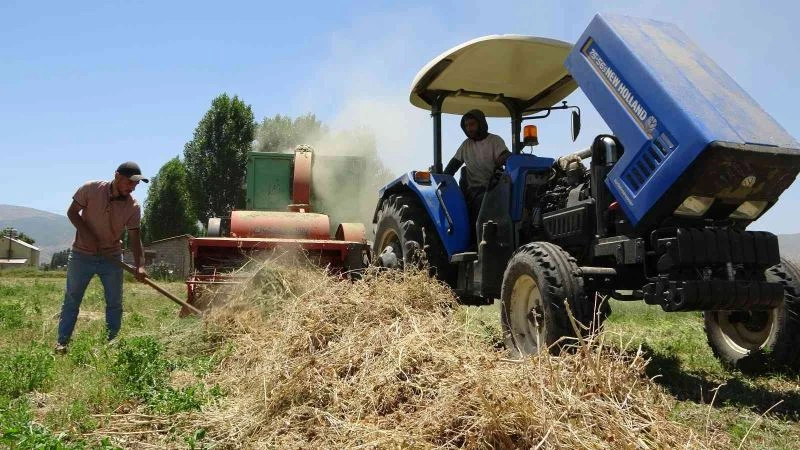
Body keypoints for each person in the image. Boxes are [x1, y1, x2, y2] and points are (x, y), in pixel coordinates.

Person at [54, 162, 149, 354]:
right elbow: (72, 213)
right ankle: (62, 342)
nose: (133, 187)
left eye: (136, 184)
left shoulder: (133, 206)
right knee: (72, 299)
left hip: (111, 256)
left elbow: (135, 238)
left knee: (114, 302)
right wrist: (87, 235)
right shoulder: (91, 189)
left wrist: (140, 265)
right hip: (81, 255)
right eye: (130, 183)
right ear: (117, 176)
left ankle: (111, 343)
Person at [443, 109, 510, 238]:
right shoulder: (466, 145)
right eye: (466, 126)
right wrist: (442, 178)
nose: (469, 129)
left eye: (472, 124)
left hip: (493, 187)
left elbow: (504, 156)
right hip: (474, 191)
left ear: (481, 123)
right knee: (478, 206)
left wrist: (504, 158)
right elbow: (452, 167)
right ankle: (477, 242)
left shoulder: (494, 141)